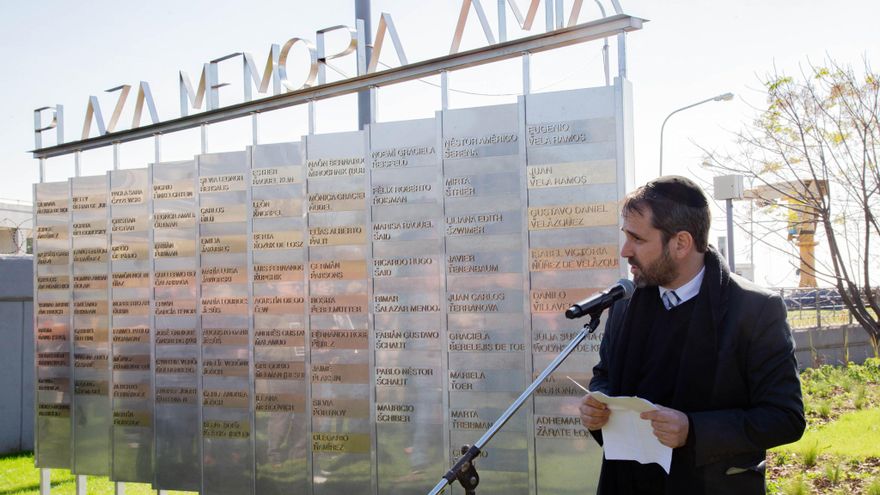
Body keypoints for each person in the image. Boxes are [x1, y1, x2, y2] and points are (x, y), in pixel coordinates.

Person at [579, 175, 805, 494]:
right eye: (625, 236)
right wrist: (597, 407)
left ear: (681, 243)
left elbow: (785, 417)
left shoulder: (755, 310)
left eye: (638, 239)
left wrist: (693, 430)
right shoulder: (624, 304)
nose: (625, 250)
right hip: (626, 484)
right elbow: (604, 376)